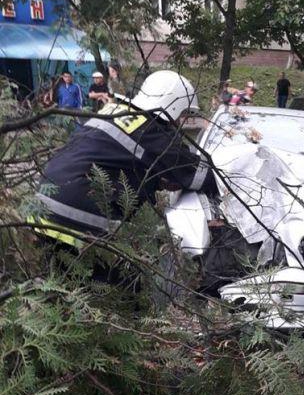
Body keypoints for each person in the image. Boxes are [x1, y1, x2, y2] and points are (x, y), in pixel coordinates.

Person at [30, 70, 215, 280]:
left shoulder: (113, 110)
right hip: (76, 211)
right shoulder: (151, 130)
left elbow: (112, 159)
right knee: (125, 281)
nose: (179, 123)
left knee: (64, 282)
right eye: (181, 114)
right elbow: (200, 175)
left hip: (42, 203)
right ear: (173, 107)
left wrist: (157, 179)